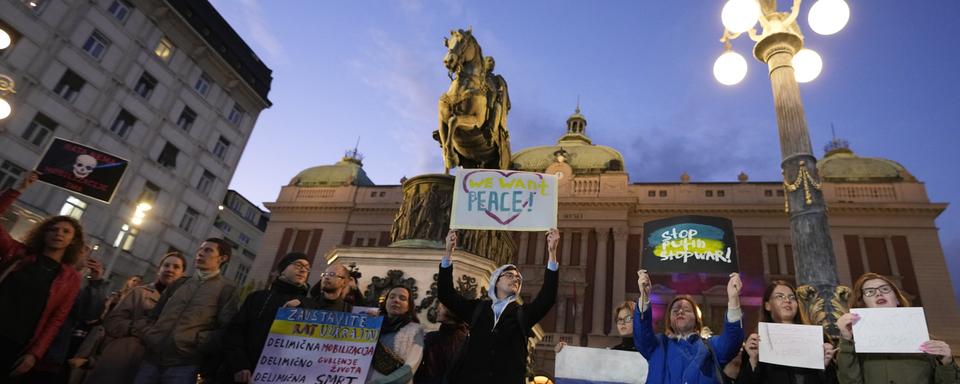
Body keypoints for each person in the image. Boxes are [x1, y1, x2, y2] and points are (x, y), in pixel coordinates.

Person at [438, 228, 560, 384]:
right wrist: (448, 253)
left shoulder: (522, 314)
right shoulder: (478, 309)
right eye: (509, 275)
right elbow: (445, 294)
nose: (515, 279)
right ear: (496, 281)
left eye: (518, 279)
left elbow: (547, 298)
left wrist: (552, 253)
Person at [0, 171, 84, 381]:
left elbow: (57, 319)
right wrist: (17, 190)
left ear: (73, 241)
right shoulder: (17, 253)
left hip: (16, 344)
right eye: (53, 229)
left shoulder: (70, 278)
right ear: (43, 233)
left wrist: (34, 354)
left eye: (66, 231)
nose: (59, 233)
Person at [134, 238, 240, 384]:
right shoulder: (180, 283)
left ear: (222, 258)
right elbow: (154, 315)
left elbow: (225, 328)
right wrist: (150, 334)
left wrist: (198, 341)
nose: (201, 253)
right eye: (200, 249)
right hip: (151, 358)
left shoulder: (226, 290)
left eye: (208, 250)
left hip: (185, 364)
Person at [80, 252, 186, 384]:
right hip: (122, 358)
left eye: (176, 267)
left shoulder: (183, 304)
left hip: (152, 365)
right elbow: (112, 322)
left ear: (182, 274)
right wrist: (136, 327)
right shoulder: (139, 292)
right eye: (166, 265)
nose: (170, 269)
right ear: (159, 270)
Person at [836, 272, 959, 383]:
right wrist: (847, 341)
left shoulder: (928, 343)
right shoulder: (853, 346)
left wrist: (947, 363)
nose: (878, 293)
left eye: (885, 289)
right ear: (862, 303)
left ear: (897, 299)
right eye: (869, 292)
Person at [634, 269, 744, 384]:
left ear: (697, 319)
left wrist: (733, 299)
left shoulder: (712, 346)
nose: (680, 312)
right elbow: (641, 334)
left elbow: (732, 341)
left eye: (686, 310)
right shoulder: (658, 345)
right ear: (669, 320)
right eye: (675, 310)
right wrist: (644, 297)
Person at [223, 252, 313, 384]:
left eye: (307, 267)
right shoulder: (257, 297)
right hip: (246, 374)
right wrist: (239, 364)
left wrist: (304, 308)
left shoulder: (310, 305)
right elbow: (235, 332)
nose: (303, 269)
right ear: (282, 269)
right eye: (298, 264)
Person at [738, 280, 837, 384]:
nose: (787, 300)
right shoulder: (756, 342)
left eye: (792, 297)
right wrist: (753, 360)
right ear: (767, 305)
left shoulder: (817, 338)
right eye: (780, 296)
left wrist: (824, 366)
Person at [368, 286, 425, 384]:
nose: (396, 300)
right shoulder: (372, 324)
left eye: (402, 298)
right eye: (392, 297)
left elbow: (410, 367)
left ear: (409, 306)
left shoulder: (414, 331)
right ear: (385, 302)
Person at [414, 303, 468, 384]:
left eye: (442, 307)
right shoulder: (466, 338)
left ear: (451, 311)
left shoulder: (432, 338)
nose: (437, 310)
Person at [554, 300, 638, 353]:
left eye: (627, 318)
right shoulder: (615, 351)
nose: (622, 323)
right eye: (619, 320)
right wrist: (566, 352)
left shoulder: (647, 349)